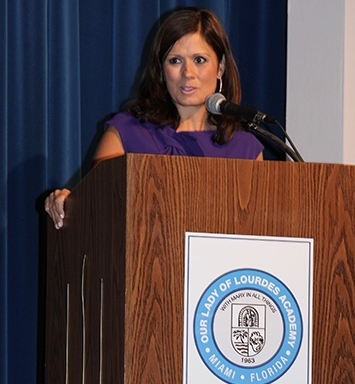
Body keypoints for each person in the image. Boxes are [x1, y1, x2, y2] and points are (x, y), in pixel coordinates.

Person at [45, 7, 264, 229]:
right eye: (175, 61)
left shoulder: (245, 149)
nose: (188, 73)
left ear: (221, 68)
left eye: (199, 60)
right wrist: (68, 204)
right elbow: (97, 210)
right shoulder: (125, 133)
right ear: (161, 70)